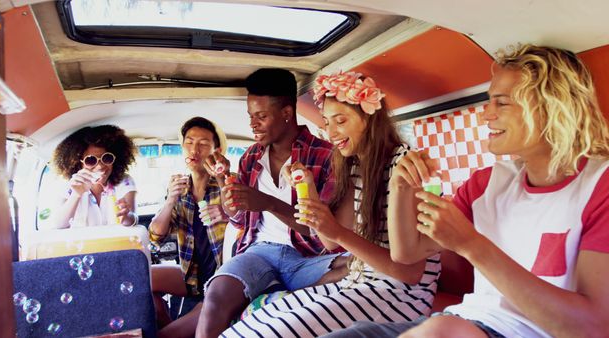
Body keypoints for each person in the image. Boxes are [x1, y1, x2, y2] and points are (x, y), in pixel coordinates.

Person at [321, 45, 609, 338]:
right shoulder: (486, 183)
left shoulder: (600, 186)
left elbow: (592, 328)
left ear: (551, 106)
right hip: (465, 320)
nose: (487, 115)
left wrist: (471, 245)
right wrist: (400, 187)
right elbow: (407, 254)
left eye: (502, 103)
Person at [219, 70, 441, 338]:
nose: (331, 132)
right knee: (254, 322)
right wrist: (307, 188)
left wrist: (336, 232)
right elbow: (330, 242)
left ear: (369, 119)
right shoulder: (355, 165)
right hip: (359, 282)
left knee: (270, 332)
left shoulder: (403, 165)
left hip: (399, 295)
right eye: (326, 122)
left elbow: (409, 272)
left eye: (341, 121)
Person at [195, 68, 348, 338]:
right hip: (259, 253)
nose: (253, 125)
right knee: (216, 295)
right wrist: (223, 181)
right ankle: (276, 294)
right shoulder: (250, 157)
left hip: (309, 258)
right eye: (251, 116)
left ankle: (279, 297)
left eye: (261, 116)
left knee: (355, 269)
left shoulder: (327, 156)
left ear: (287, 113)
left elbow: (324, 232)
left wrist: (269, 203)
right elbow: (238, 218)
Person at [148, 117, 229, 338]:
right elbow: (156, 237)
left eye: (203, 143)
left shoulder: (228, 182)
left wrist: (226, 215)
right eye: (189, 142)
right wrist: (170, 200)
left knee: (165, 336)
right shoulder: (180, 188)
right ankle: (168, 321)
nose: (195, 149)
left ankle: (172, 329)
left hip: (223, 278)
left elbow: (246, 219)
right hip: (191, 276)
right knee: (141, 277)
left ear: (217, 150)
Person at [49, 124, 138, 229]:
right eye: (91, 160)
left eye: (107, 158)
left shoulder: (124, 181)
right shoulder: (69, 186)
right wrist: (76, 195)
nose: (100, 166)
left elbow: (131, 220)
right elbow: (58, 225)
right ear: (78, 163)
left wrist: (126, 216)